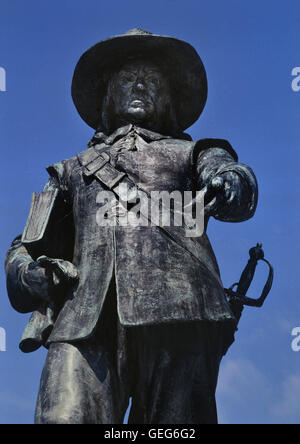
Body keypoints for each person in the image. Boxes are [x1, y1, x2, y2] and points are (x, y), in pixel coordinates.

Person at [5, 29, 258, 424]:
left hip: (181, 315)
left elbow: (234, 178)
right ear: (109, 94)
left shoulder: (194, 153)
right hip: (83, 320)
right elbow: (25, 248)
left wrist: (230, 183)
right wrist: (30, 274)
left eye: (152, 80)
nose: (139, 86)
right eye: (127, 79)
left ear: (169, 97)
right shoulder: (71, 170)